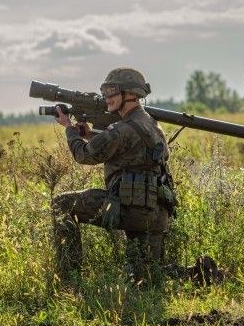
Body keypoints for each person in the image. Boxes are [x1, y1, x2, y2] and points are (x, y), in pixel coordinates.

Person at [51, 67, 175, 286]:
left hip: (130, 210)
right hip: (156, 214)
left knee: (62, 204)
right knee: (147, 278)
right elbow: (131, 153)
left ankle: (69, 278)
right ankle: (198, 273)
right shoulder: (153, 125)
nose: (106, 97)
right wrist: (89, 135)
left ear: (129, 95)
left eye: (111, 91)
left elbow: (83, 155)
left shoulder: (122, 129)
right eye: (104, 91)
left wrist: (68, 128)